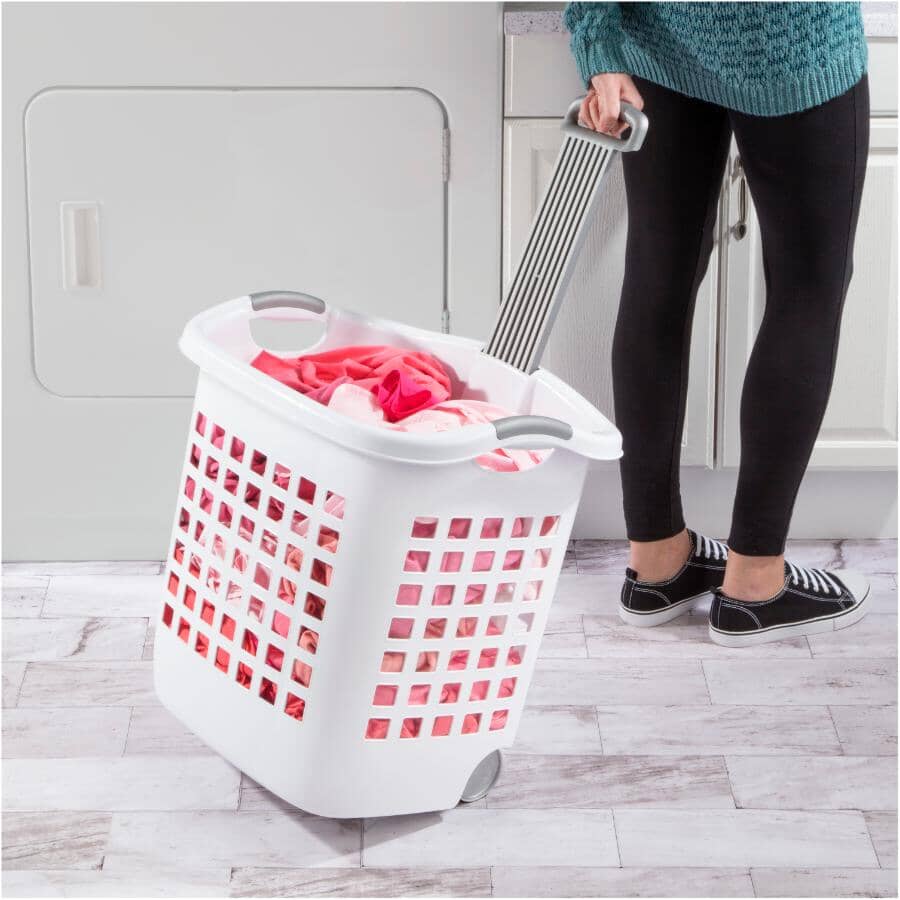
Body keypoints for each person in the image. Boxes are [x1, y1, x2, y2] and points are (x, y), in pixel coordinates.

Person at [564, 1, 871, 646]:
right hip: (793, 43)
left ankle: (657, 564)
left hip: (659, 38)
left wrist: (601, 51)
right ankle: (756, 582)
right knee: (808, 288)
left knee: (658, 277)